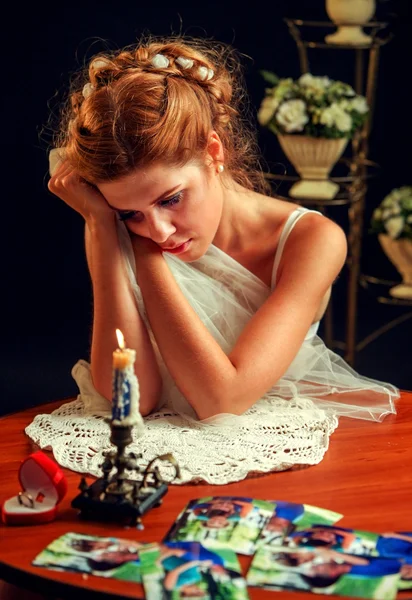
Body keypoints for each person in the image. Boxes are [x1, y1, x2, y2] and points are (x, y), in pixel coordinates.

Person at [28, 34, 400, 483]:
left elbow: (220, 400)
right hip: (150, 454)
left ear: (213, 153)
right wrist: (102, 228)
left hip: (270, 459)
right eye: (131, 214)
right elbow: (131, 398)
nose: (159, 231)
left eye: (172, 199)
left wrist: (143, 250)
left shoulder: (312, 241)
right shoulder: (114, 223)